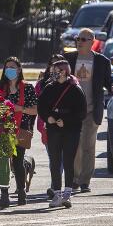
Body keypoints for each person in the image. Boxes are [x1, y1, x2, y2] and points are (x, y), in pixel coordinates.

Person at [66, 28, 113, 193]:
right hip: (72, 111)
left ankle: (85, 181)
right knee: (75, 145)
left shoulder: (102, 61)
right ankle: (74, 179)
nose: (79, 42)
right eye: (78, 39)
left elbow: (109, 83)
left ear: (92, 42)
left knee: (88, 145)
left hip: (92, 110)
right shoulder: (68, 59)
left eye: (83, 39)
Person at [37, 60, 87, 208]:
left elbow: (81, 112)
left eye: (56, 70)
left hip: (71, 130)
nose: (53, 73)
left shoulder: (75, 89)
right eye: (52, 70)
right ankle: (57, 193)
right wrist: (48, 118)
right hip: (53, 130)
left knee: (68, 162)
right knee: (54, 161)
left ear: (65, 71)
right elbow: (42, 107)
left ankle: (67, 194)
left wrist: (66, 120)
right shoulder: (49, 88)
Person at [0, 57, 38, 208]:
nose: (9, 70)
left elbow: (35, 110)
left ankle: (21, 192)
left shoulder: (27, 88)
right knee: (2, 163)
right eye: (7, 68)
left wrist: (21, 109)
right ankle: (4, 195)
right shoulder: (0, 88)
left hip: (21, 128)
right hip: (3, 129)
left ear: (19, 69)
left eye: (12, 67)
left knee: (17, 161)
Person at [36, 53, 65, 200]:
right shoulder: (42, 83)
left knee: (59, 157)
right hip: (47, 125)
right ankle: (56, 184)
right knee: (53, 157)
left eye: (59, 65)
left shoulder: (69, 83)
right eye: (53, 65)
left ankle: (55, 186)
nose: (55, 68)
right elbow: (37, 103)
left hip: (64, 124)